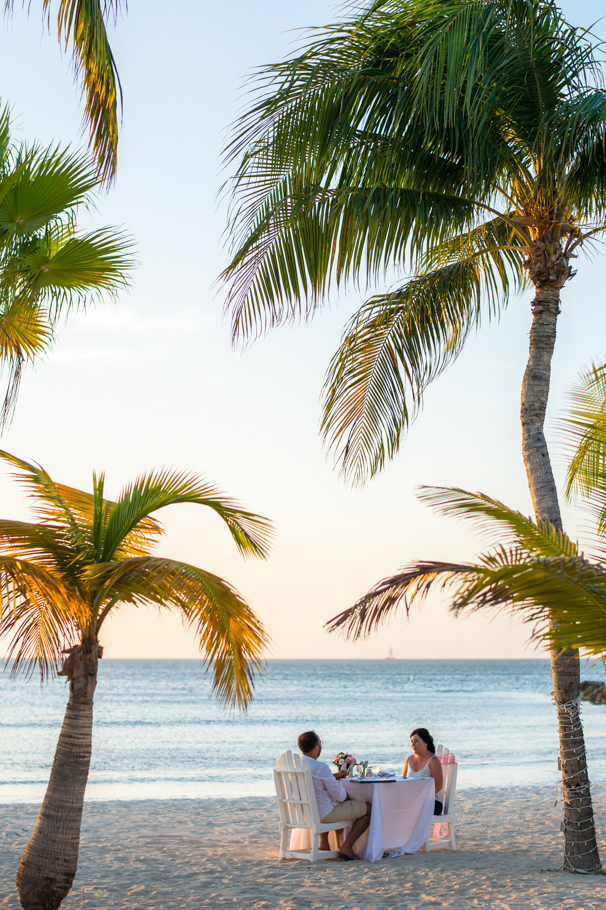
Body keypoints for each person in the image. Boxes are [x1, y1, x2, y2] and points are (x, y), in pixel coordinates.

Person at [298, 730, 371, 860]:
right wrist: (349, 795)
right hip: (323, 814)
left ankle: (324, 844)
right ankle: (346, 847)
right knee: (368, 809)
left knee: (326, 800)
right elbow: (341, 796)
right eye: (320, 743)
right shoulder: (320, 767)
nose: (320, 745)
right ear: (316, 747)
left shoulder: (296, 765)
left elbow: (313, 780)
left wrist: (333, 776)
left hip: (302, 813)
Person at [402, 727, 444, 815]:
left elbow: (438, 785)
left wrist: (421, 797)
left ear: (425, 742)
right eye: (411, 741)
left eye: (416, 741)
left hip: (432, 801)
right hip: (413, 801)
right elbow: (403, 782)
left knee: (409, 809)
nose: (413, 744)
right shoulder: (408, 760)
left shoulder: (433, 760)